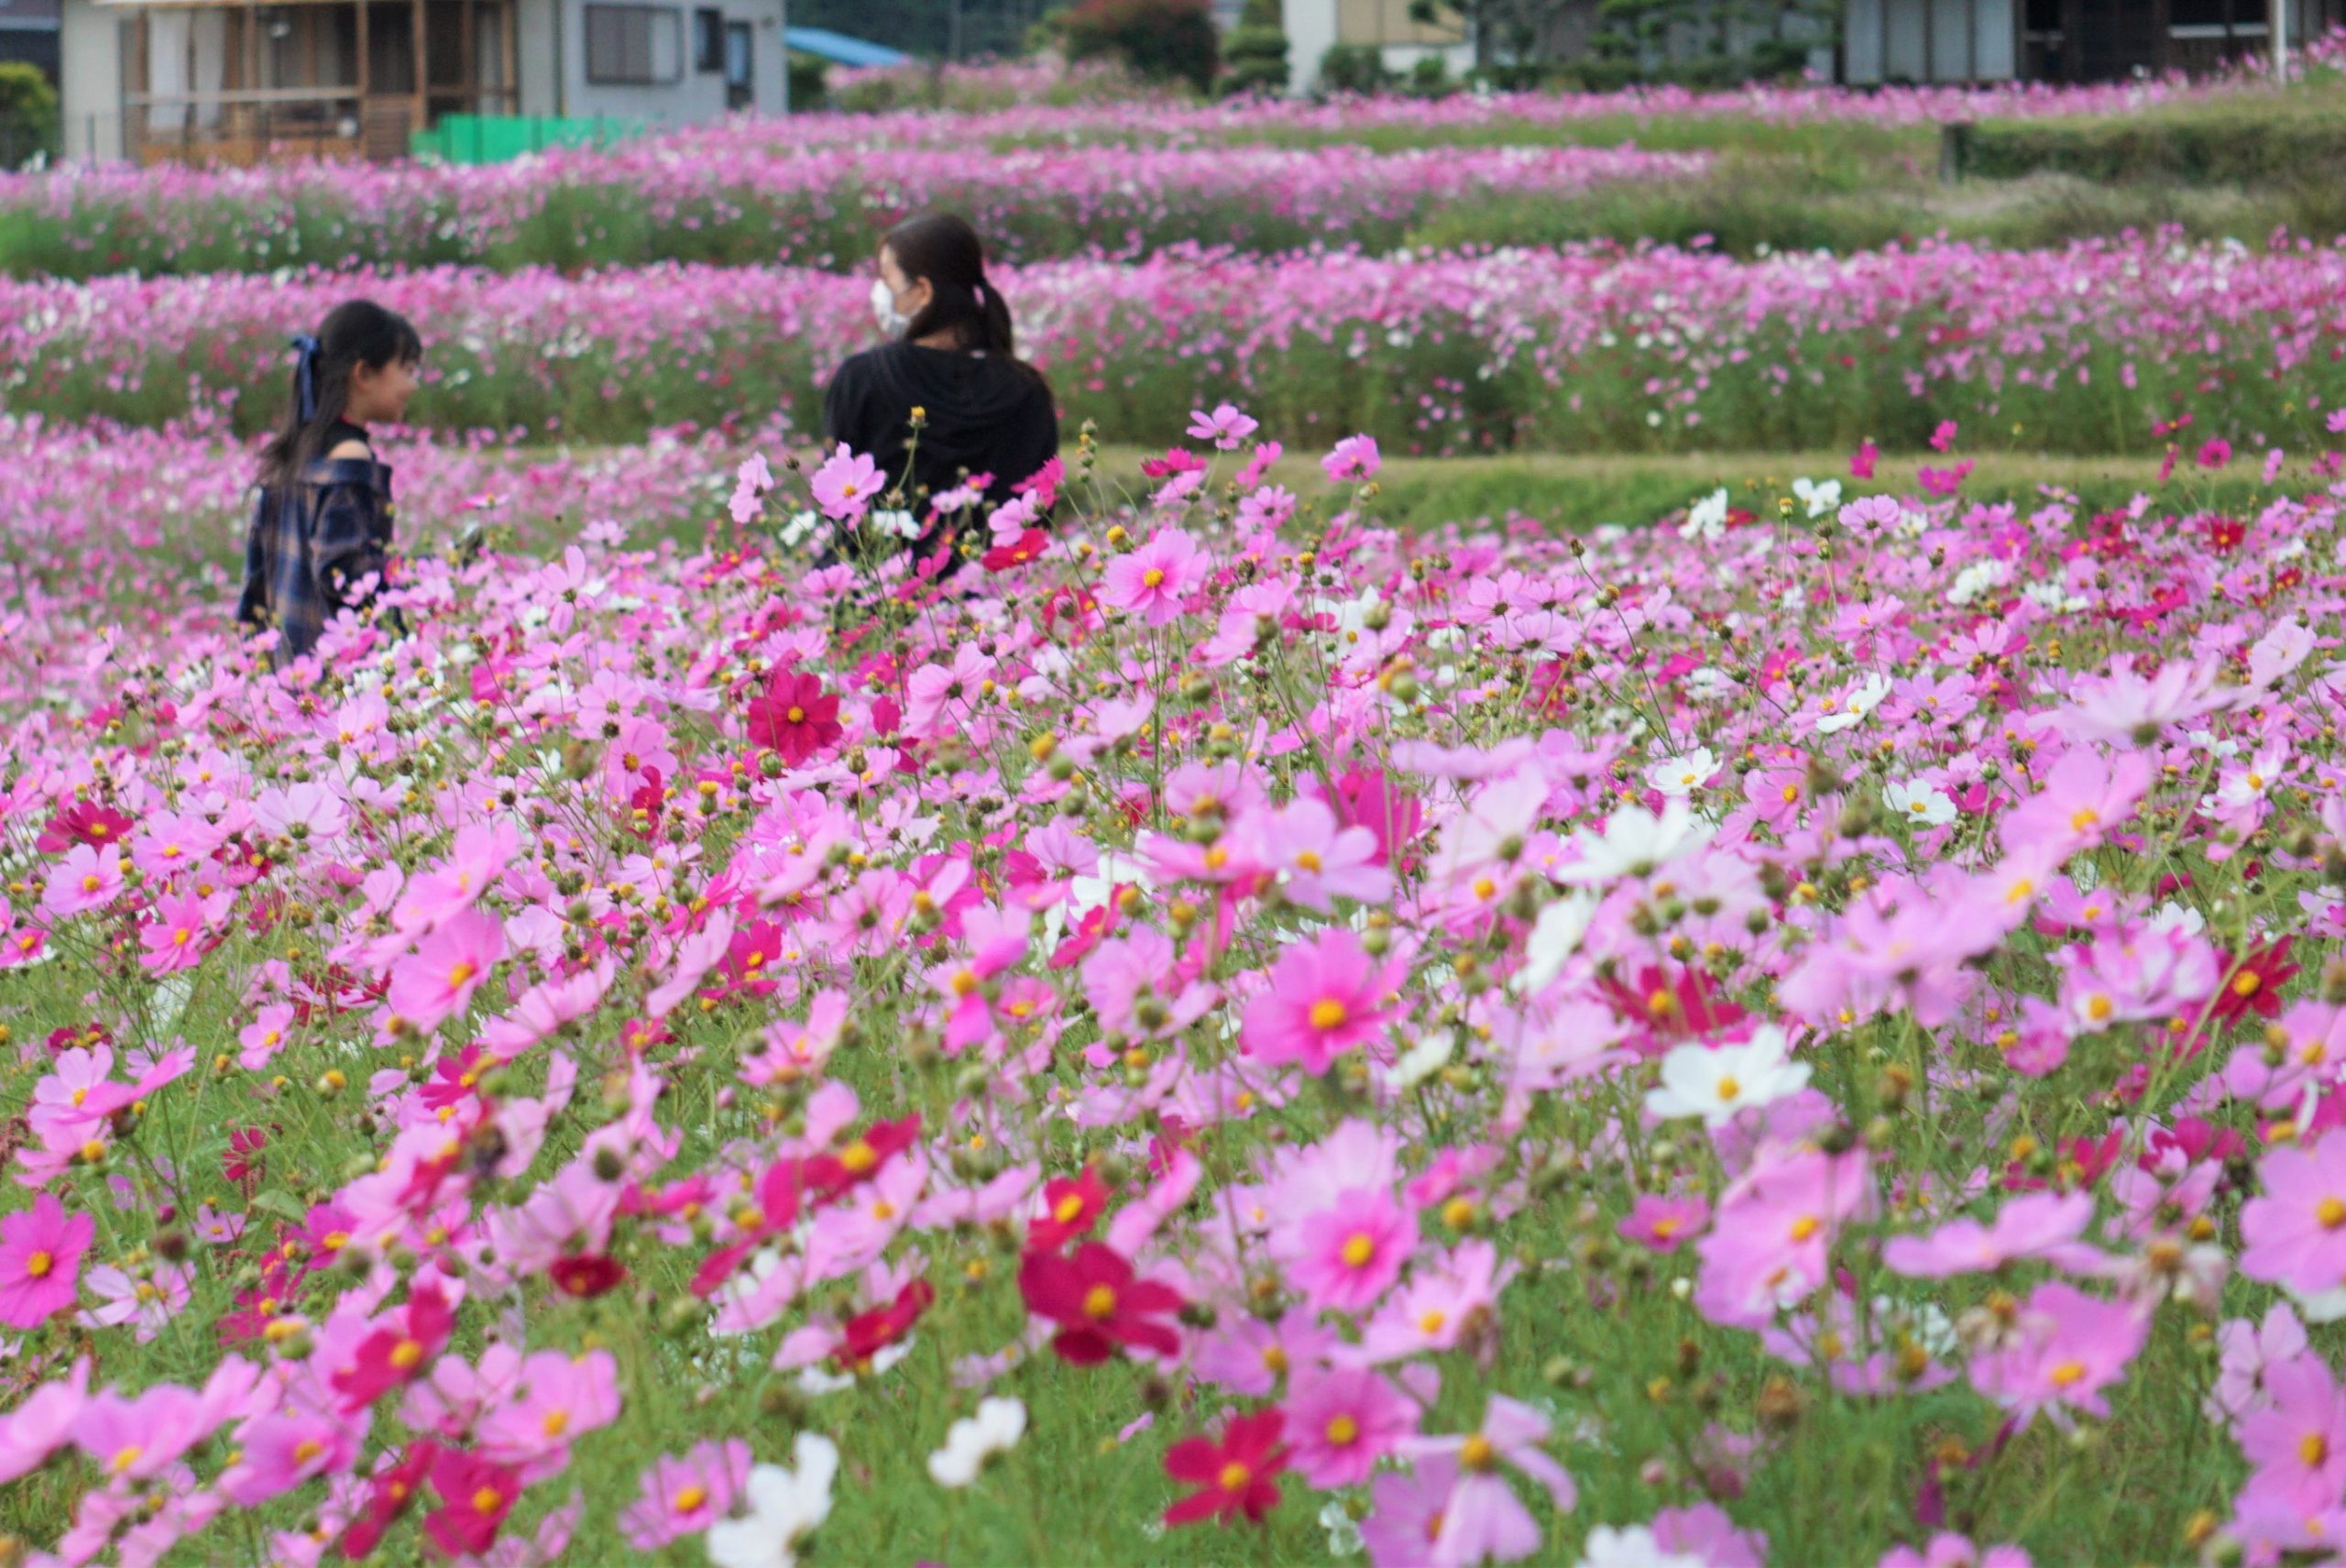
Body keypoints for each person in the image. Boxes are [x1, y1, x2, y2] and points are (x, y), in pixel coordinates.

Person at [823, 213, 1058, 576]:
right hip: (994, 603)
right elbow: (1039, 515)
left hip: (882, 593)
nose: (880, 292)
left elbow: (838, 503)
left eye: (887, 279)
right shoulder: (1025, 390)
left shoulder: (863, 377)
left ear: (923, 291)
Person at [236, 299, 421, 664]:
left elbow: (256, 578)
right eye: (406, 369)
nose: (412, 385)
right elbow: (348, 576)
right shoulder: (350, 461)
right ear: (364, 374)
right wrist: (429, 573)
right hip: (338, 674)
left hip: (290, 668)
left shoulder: (297, 456)